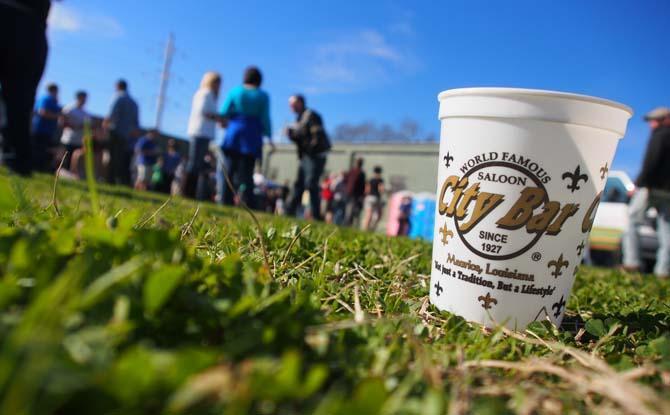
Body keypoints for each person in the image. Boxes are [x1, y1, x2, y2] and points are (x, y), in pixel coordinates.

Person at [0, 0, 50, 176]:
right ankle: (17, 160)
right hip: (29, 23)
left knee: (20, 100)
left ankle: (17, 160)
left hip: (30, 19)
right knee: (20, 99)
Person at [622, 107, 670, 278]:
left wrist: (639, 184)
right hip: (668, 191)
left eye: (656, 120)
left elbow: (651, 161)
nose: (652, 124)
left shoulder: (660, 135)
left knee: (633, 221)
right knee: (667, 230)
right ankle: (664, 270)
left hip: (651, 187)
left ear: (666, 119)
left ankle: (632, 262)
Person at [217, 66, 273, 208]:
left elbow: (224, 111)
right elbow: (265, 118)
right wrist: (269, 137)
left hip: (234, 132)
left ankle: (225, 200)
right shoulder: (263, 96)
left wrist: (225, 121)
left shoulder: (235, 91)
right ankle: (250, 204)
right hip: (252, 135)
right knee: (248, 173)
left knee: (229, 169)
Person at [285, 94, 331, 221]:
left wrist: (308, 147)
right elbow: (301, 138)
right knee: (299, 184)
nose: (290, 107)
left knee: (311, 183)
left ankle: (316, 215)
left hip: (315, 155)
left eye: (293, 103)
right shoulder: (298, 119)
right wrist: (292, 135)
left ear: (300, 103)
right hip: (306, 156)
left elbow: (316, 136)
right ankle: (289, 211)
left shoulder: (310, 115)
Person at [185, 71, 222, 200]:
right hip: (199, 132)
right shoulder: (205, 93)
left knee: (199, 164)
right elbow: (204, 111)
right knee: (194, 163)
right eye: (217, 83)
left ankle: (193, 193)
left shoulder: (210, 95)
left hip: (204, 134)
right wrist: (218, 118)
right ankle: (187, 192)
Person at [104, 79, 139, 186]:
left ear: (118, 86)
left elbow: (112, 114)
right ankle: (117, 180)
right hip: (126, 136)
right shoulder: (134, 103)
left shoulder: (118, 96)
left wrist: (105, 125)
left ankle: (109, 180)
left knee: (111, 156)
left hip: (115, 131)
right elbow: (136, 123)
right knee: (120, 158)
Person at [31, 83, 61, 171]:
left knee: (44, 149)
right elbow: (43, 112)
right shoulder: (47, 98)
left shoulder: (52, 100)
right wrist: (58, 116)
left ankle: (41, 167)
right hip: (41, 128)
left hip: (47, 130)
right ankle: (36, 167)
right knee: (40, 149)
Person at [60, 90, 89, 172]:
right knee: (65, 159)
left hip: (79, 140)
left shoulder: (85, 113)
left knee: (74, 161)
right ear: (79, 98)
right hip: (68, 139)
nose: (85, 100)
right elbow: (62, 122)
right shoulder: (69, 109)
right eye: (83, 98)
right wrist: (75, 126)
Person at [362, 166, 385, 231]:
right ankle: (372, 229)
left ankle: (365, 229)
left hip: (368, 197)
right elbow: (381, 189)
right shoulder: (380, 180)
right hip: (376, 198)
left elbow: (367, 190)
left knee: (368, 214)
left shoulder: (370, 179)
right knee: (378, 215)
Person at [344, 158, 366, 226]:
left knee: (349, 209)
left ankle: (348, 223)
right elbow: (362, 185)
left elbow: (346, 180)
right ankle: (348, 223)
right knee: (352, 209)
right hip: (355, 194)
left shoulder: (352, 171)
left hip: (350, 193)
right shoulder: (361, 173)